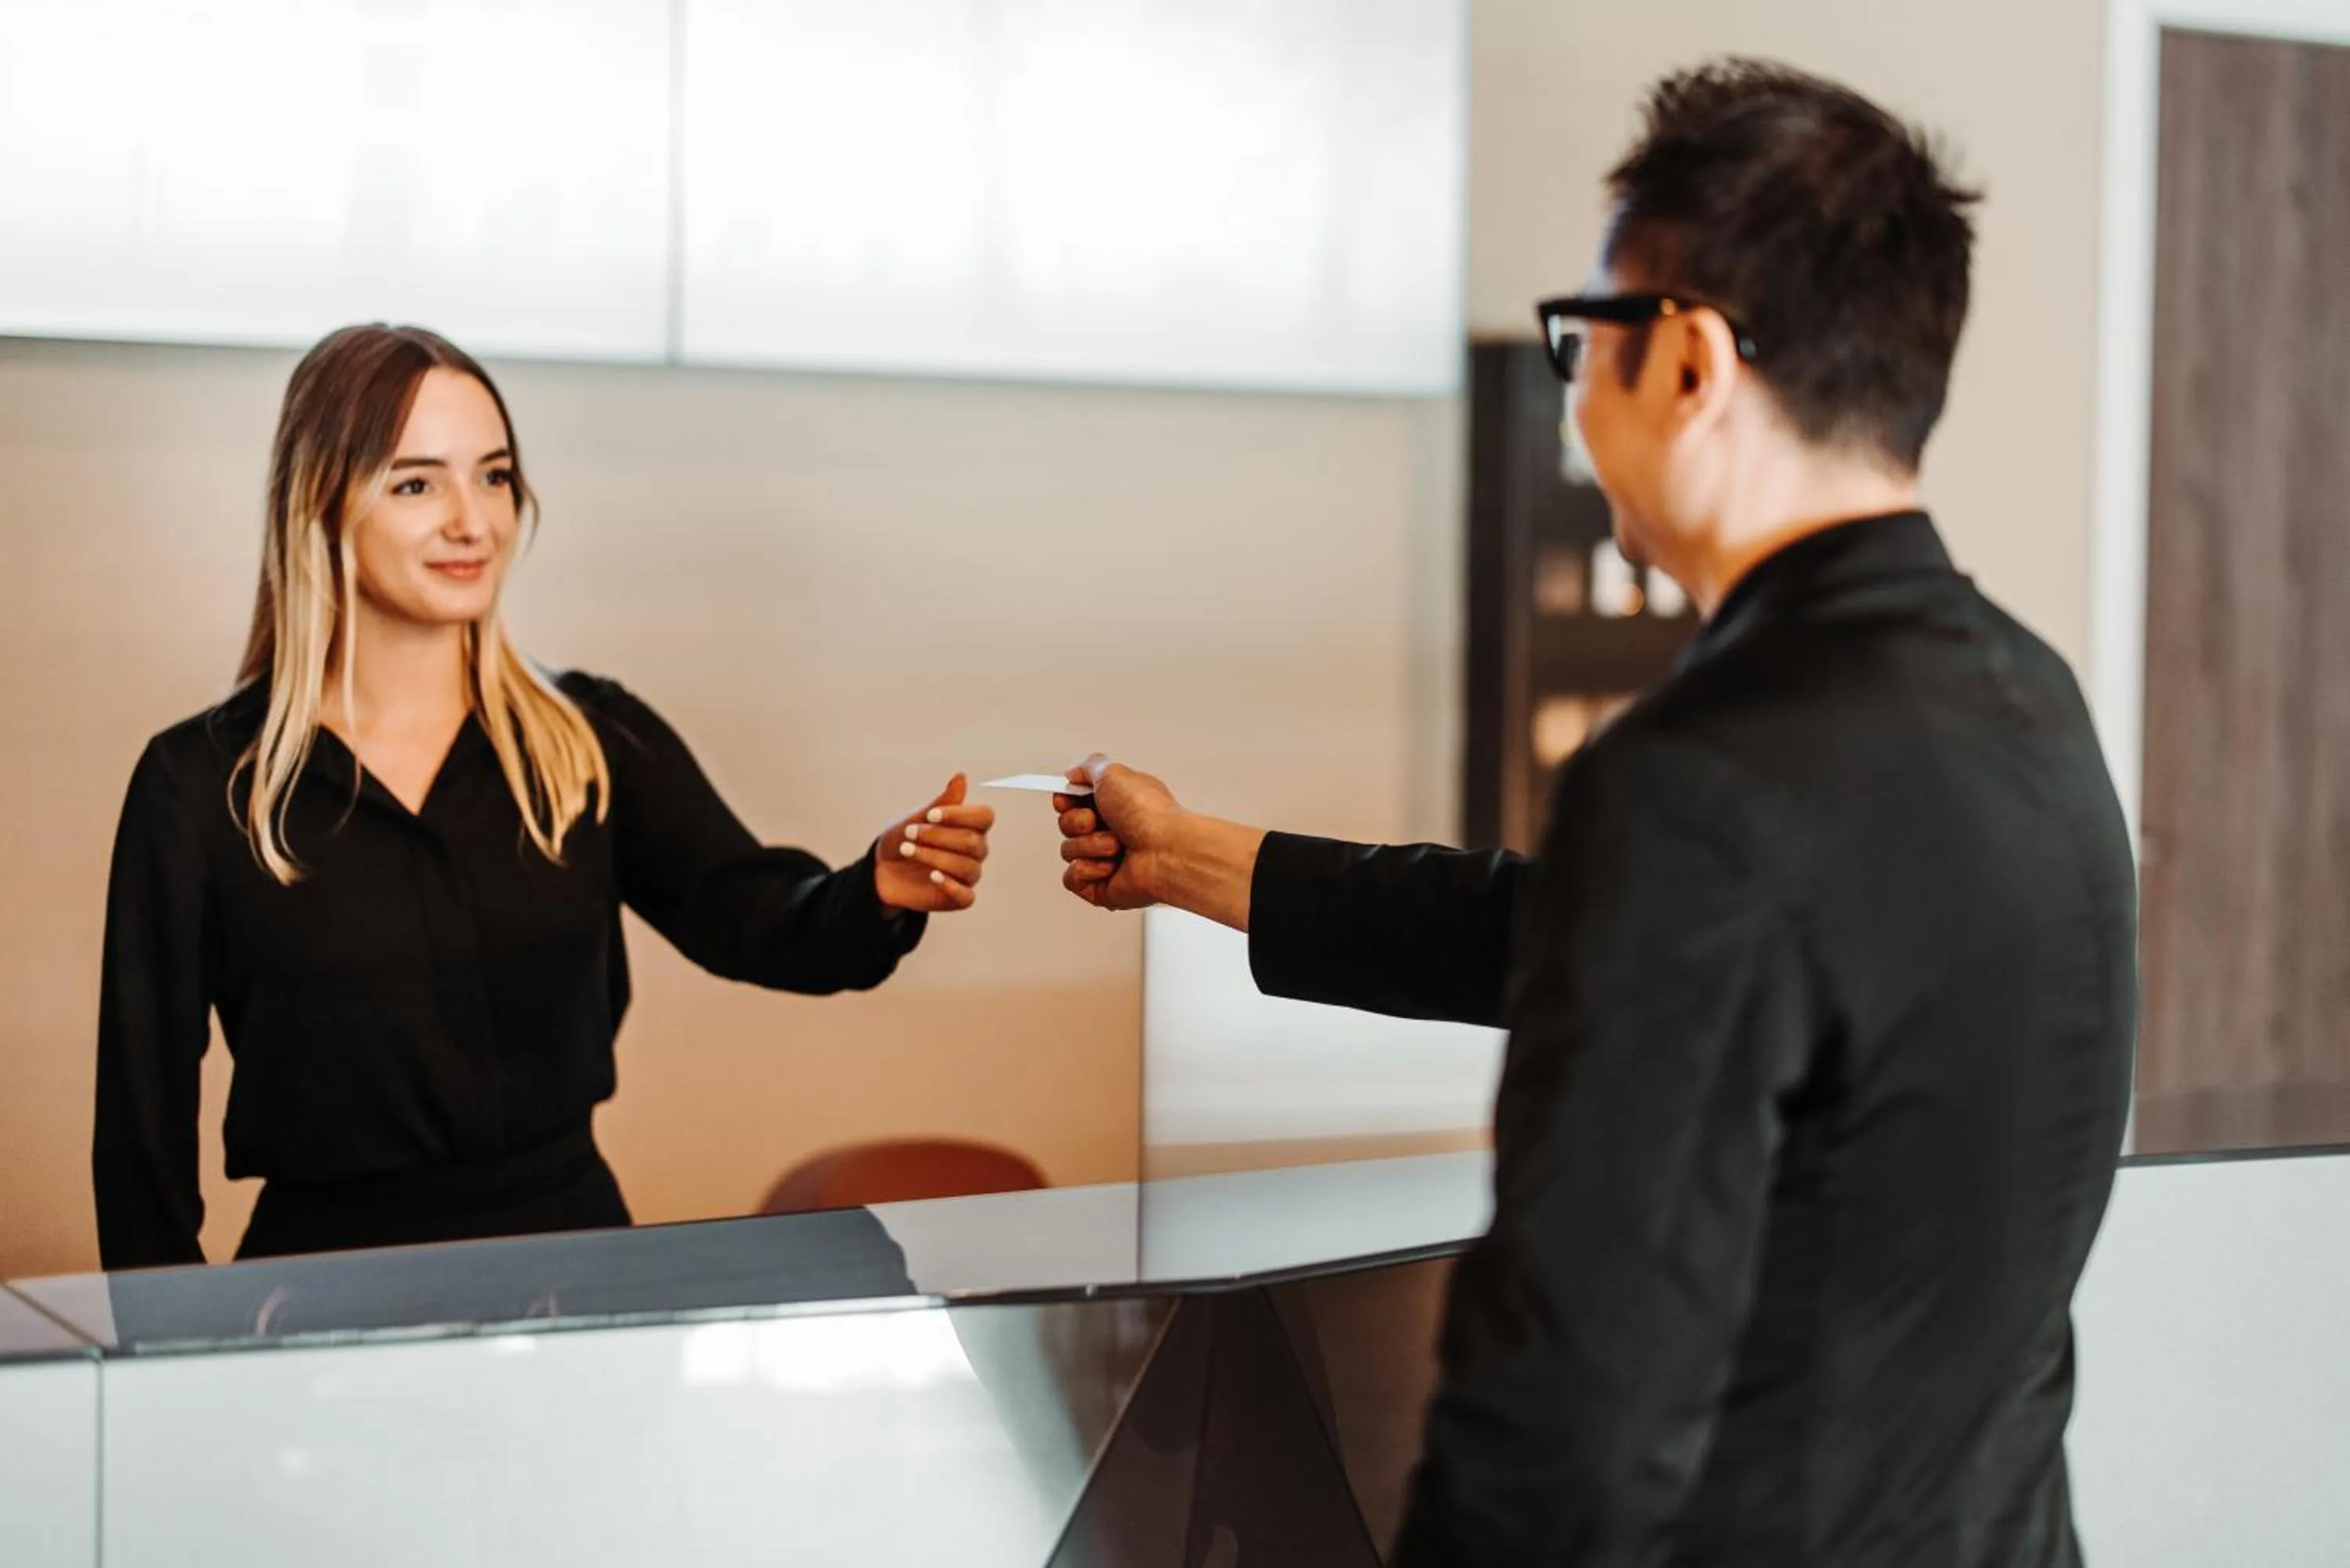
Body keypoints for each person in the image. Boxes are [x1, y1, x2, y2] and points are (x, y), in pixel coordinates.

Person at [1054, 60, 2136, 1567]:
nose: (1571, 388)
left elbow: (1561, 1411)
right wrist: (1193, 858)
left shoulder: (1701, 782)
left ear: (1688, 363)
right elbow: (1559, 925)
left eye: (1588, 335)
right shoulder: (2034, 709)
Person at [95, 324, 996, 1270]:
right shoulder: (196, 787)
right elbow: (139, 1136)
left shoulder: (592, 738)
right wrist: (163, 1364)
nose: (472, 521)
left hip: (575, 1273)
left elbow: (760, 918)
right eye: (416, 482)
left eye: (493, 476)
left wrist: (879, 888)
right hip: (317, 1293)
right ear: (321, 503)